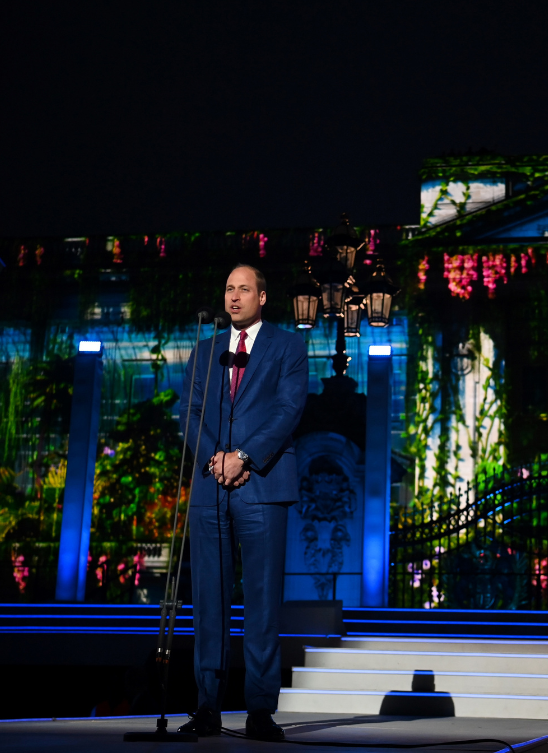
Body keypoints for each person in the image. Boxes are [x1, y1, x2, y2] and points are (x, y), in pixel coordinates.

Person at [178, 264, 308, 740]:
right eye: (229, 288)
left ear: (263, 297)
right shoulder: (206, 349)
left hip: (263, 485)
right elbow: (189, 411)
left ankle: (259, 711)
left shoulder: (288, 346)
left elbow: (288, 409)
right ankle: (207, 708)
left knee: (261, 603)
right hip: (211, 484)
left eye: (244, 289)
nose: (234, 297)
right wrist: (217, 459)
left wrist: (245, 457)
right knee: (208, 602)